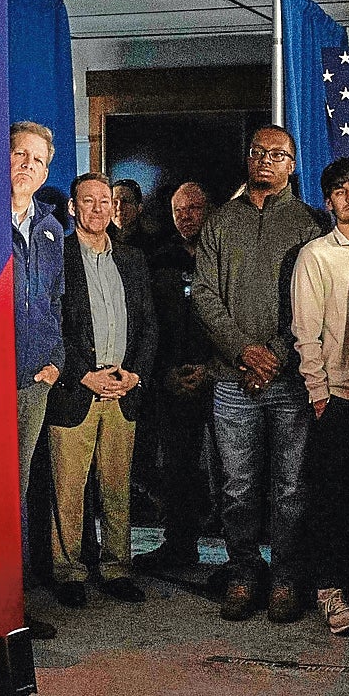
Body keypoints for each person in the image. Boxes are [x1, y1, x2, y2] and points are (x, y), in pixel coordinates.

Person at [193, 124, 326, 623]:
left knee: (290, 486)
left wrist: (273, 355)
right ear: (247, 159)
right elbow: (203, 294)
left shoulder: (309, 224)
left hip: (289, 380)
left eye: (278, 155)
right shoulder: (220, 222)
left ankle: (287, 577)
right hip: (232, 380)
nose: (266, 161)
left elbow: (313, 306)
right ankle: (245, 571)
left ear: (293, 164)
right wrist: (244, 352)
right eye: (258, 153)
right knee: (237, 485)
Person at [46, 172, 157, 607]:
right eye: (88, 201)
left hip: (123, 389)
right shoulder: (59, 257)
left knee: (116, 486)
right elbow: (52, 324)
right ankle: (68, 572)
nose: (98, 209)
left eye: (106, 201)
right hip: (78, 389)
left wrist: (135, 374)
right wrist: (82, 374)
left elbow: (148, 325)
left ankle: (116, 568)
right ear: (73, 209)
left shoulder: (132, 259)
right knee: (68, 490)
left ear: (116, 208)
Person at [290, 158, 349, 634]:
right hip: (338, 393)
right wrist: (318, 392)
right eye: (341, 191)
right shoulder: (316, 255)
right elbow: (306, 332)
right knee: (331, 495)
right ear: (328, 202)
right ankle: (329, 589)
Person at [135, 182, 215, 569]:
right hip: (171, 380)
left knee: (228, 473)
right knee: (176, 469)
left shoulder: (222, 257)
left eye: (194, 209)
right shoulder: (158, 260)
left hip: (221, 378)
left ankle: (239, 558)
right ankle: (179, 543)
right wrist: (163, 372)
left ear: (209, 211)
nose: (186, 217)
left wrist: (212, 369)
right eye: (179, 210)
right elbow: (148, 323)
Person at [10, 120, 64, 640]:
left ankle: (12, 608)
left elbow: (54, 302)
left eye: (38, 160)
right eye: (18, 154)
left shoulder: (50, 230)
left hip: (32, 383)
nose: (28, 165)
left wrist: (56, 361)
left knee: (17, 493)